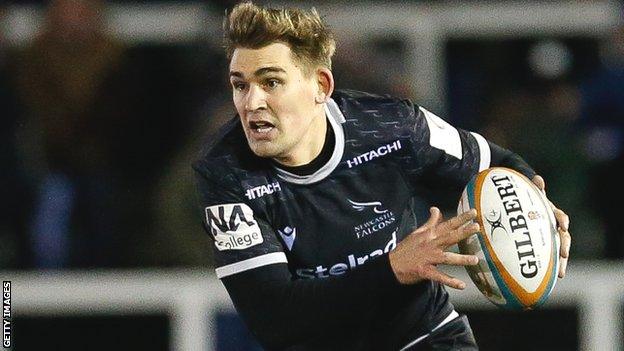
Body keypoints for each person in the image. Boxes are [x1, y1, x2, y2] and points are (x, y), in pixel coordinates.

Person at [193, 2, 572, 350]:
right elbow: (277, 320)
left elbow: (494, 162)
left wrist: (538, 207)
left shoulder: (391, 127)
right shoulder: (227, 174)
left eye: (271, 82)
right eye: (240, 85)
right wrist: (393, 269)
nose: (251, 101)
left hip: (422, 334)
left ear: (321, 86)